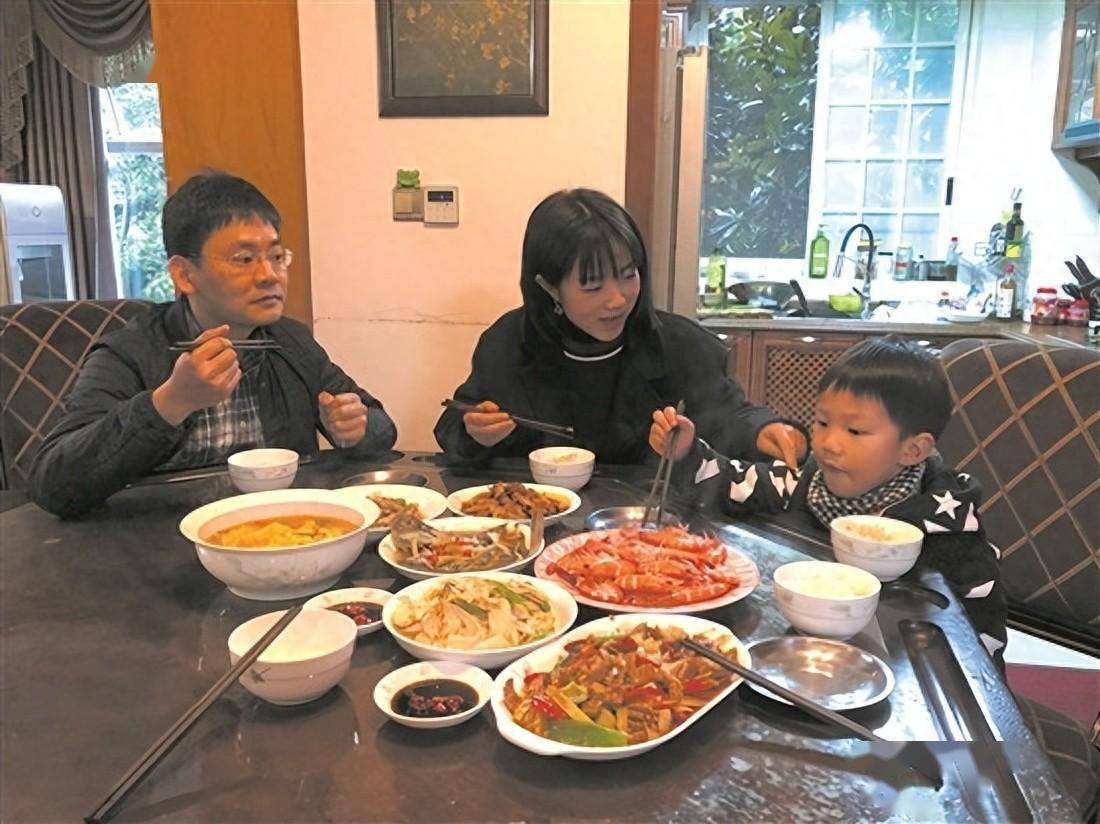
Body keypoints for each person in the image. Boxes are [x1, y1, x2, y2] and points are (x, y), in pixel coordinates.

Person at [28, 171, 397, 517]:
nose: (269, 275)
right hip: (164, 545)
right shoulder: (131, 351)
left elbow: (382, 429)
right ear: (185, 274)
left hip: (282, 532)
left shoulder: (290, 341)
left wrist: (356, 429)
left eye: (276, 256)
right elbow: (52, 483)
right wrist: (169, 403)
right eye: (245, 259)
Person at [652, 335, 1007, 661]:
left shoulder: (949, 529)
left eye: (855, 430)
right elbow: (731, 482)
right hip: (796, 653)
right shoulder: (802, 484)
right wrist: (686, 452)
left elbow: (979, 636)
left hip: (893, 663)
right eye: (822, 422)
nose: (829, 443)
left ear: (913, 449)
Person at [434, 188, 805, 468]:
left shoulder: (681, 346)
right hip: (534, 522)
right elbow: (456, 423)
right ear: (549, 286)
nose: (617, 300)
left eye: (629, 275)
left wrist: (767, 431)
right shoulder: (510, 344)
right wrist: (474, 433)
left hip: (650, 530)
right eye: (593, 286)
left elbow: (730, 418)